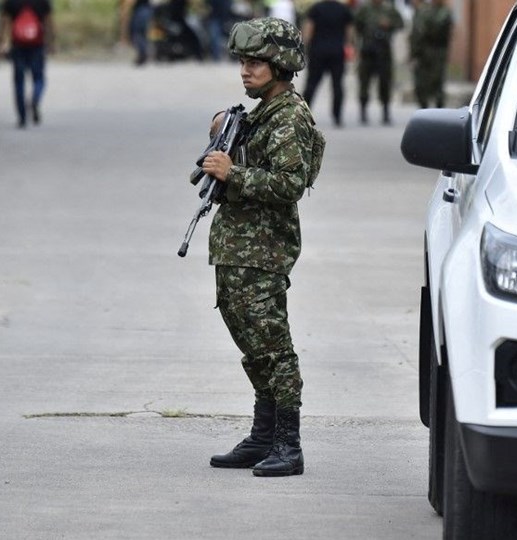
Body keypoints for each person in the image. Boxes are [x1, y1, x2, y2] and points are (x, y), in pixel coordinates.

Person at [202, 17, 325, 477]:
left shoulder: (289, 117)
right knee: (253, 344)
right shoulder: (264, 113)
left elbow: (290, 183)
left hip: (263, 251)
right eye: (242, 62)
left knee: (273, 346)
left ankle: (288, 444)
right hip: (239, 249)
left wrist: (231, 173)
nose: (245, 71)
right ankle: (263, 435)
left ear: (280, 64)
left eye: (255, 62)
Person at [0, 0, 55, 129]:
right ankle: (35, 98)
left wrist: (0, 43)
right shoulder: (42, 2)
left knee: (19, 82)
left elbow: (5, 23)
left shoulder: (11, 2)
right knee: (39, 78)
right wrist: (51, 42)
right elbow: (48, 22)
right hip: (37, 45)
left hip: (18, 45)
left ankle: (22, 117)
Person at [301, 0, 354, 127]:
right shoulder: (343, 9)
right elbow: (349, 31)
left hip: (318, 50)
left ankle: (304, 114)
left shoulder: (316, 8)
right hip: (337, 51)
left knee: (311, 84)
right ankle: (337, 116)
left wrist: (304, 47)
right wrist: (349, 45)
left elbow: (309, 29)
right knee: (337, 84)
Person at [353, 0, 402, 125]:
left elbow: (400, 23)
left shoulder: (389, 9)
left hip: (384, 51)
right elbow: (356, 25)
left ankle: (385, 112)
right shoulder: (365, 9)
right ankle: (363, 111)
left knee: (385, 82)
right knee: (364, 82)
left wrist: (389, 24)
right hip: (368, 51)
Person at [408, 0, 451, 109]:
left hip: (436, 53)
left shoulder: (444, 12)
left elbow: (434, 28)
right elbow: (415, 34)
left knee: (436, 83)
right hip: (421, 54)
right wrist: (413, 54)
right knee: (420, 85)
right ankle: (424, 108)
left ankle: (439, 110)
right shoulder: (422, 11)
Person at [120, 0, 153, 65]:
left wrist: (126, 7)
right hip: (143, 9)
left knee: (137, 32)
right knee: (140, 33)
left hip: (141, 10)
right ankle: (143, 53)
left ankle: (143, 54)